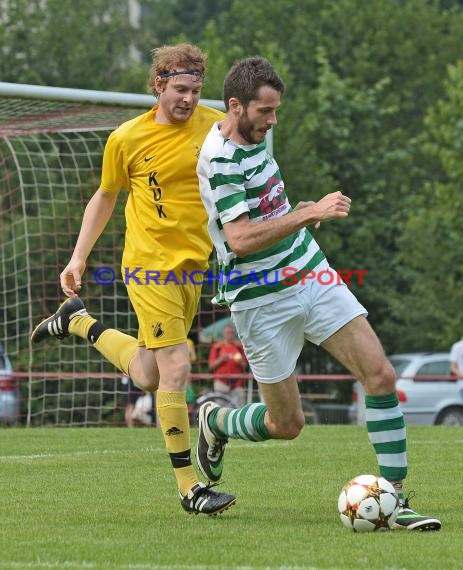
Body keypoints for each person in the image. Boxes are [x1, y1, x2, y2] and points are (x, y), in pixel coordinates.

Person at [196, 55, 441, 530]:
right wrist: (309, 214)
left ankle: (394, 499)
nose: (272, 121)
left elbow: (270, 206)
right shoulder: (220, 160)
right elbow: (241, 238)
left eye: (276, 111)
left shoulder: (254, 135)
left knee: (381, 375)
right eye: (265, 111)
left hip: (311, 273)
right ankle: (216, 421)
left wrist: (298, 211)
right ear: (235, 106)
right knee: (286, 425)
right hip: (259, 298)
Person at [31, 43, 235, 516]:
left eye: (195, 90)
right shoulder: (126, 138)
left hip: (194, 266)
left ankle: (78, 322)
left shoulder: (214, 125)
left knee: (148, 375)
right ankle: (189, 488)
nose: (187, 99)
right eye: (180, 89)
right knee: (178, 370)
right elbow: (104, 197)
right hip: (148, 267)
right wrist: (78, 258)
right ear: (159, 84)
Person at [208, 323, 247, 407]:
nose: (229, 335)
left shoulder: (239, 347)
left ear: (234, 334)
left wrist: (240, 362)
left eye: (231, 333)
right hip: (221, 382)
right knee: (221, 408)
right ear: (224, 334)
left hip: (237, 383)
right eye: (227, 333)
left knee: (240, 407)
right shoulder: (217, 347)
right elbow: (211, 366)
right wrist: (221, 360)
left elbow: (244, 366)